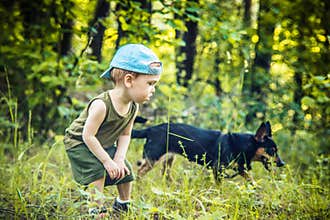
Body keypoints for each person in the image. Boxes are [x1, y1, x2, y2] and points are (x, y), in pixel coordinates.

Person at [63, 44, 162, 217]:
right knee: (97, 171)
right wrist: (107, 161)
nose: (153, 89)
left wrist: (119, 158)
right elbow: (88, 135)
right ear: (129, 80)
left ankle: (123, 204)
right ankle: (96, 210)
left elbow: (125, 134)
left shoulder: (133, 107)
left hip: (101, 143)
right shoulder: (102, 105)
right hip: (80, 142)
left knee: (126, 170)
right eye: (150, 83)